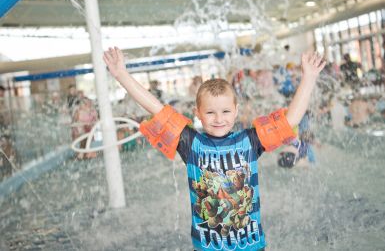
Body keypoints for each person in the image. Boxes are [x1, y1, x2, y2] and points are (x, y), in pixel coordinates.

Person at [103, 47, 325, 251]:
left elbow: (291, 120)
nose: (219, 119)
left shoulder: (250, 141)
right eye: (210, 113)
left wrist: (309, 77)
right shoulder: (191, 143)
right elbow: (156, 108)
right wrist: (121, 74)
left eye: (226, 112)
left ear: (236, 111)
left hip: (252, 246)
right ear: (197, 113)